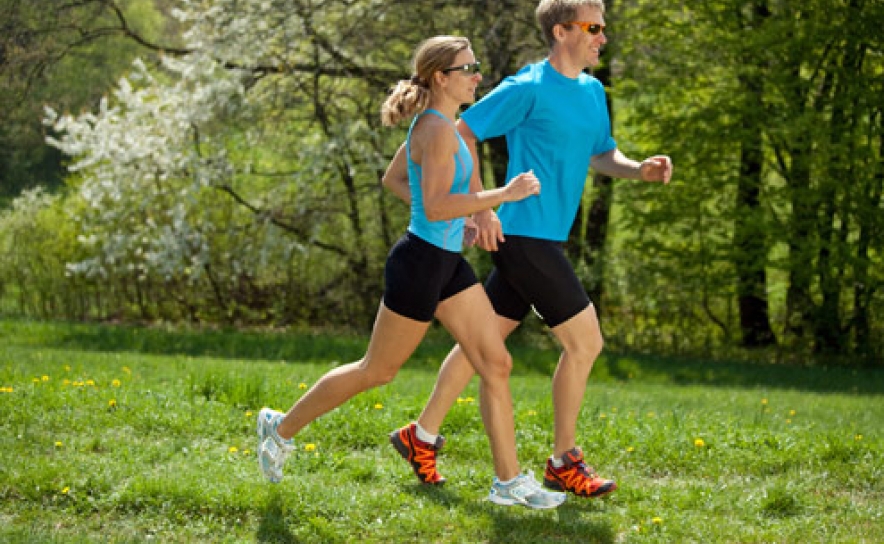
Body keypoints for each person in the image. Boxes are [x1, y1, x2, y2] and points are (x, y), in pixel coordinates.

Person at [257, 35, 566, 509]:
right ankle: (279, 429)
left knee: (495, 363)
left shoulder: (446, 124)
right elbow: (437, 202)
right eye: (469, 68)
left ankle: (508, 482)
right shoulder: (436, 130)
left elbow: (397, 181)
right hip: (420, 264)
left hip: (447, 264)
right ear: (442, 77)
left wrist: (456, 218)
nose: (478, 75)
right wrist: (501, 196)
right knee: (377, 371)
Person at [389, 0, 673, 499]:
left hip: (546, 234)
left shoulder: (592, 91)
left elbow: (601, 153)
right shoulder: (528, 87)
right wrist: (481, 208)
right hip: (522, 236)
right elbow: (462, 130)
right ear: (562, 31)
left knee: (484, 344)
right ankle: (564, 460)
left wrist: (638, 170)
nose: (602, 37)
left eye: (603, 28)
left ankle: (422, 434)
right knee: (585, 343)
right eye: (593, 27)